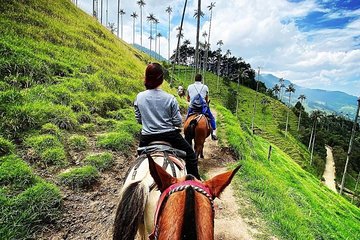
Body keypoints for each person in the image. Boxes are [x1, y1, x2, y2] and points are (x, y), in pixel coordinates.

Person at [134, 63, 200, 179]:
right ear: (162, 79)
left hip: (147, 137)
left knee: (138, 160)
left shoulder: (139, 97)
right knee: (191, 156)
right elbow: (177, 122)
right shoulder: (170, 98)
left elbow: (139, 119)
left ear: (146, 77)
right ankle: (195, 183)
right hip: (169, 136)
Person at [186, 74, 218, 140]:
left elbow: (188, 99)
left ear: (194, 79)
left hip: (193, 107)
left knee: (187, 118)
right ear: (201, 79)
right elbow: (206, 99)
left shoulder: (190, 86)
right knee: (212, 117)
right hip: (202, 108)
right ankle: (213, 133)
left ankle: (185, 132)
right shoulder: (205, 87)